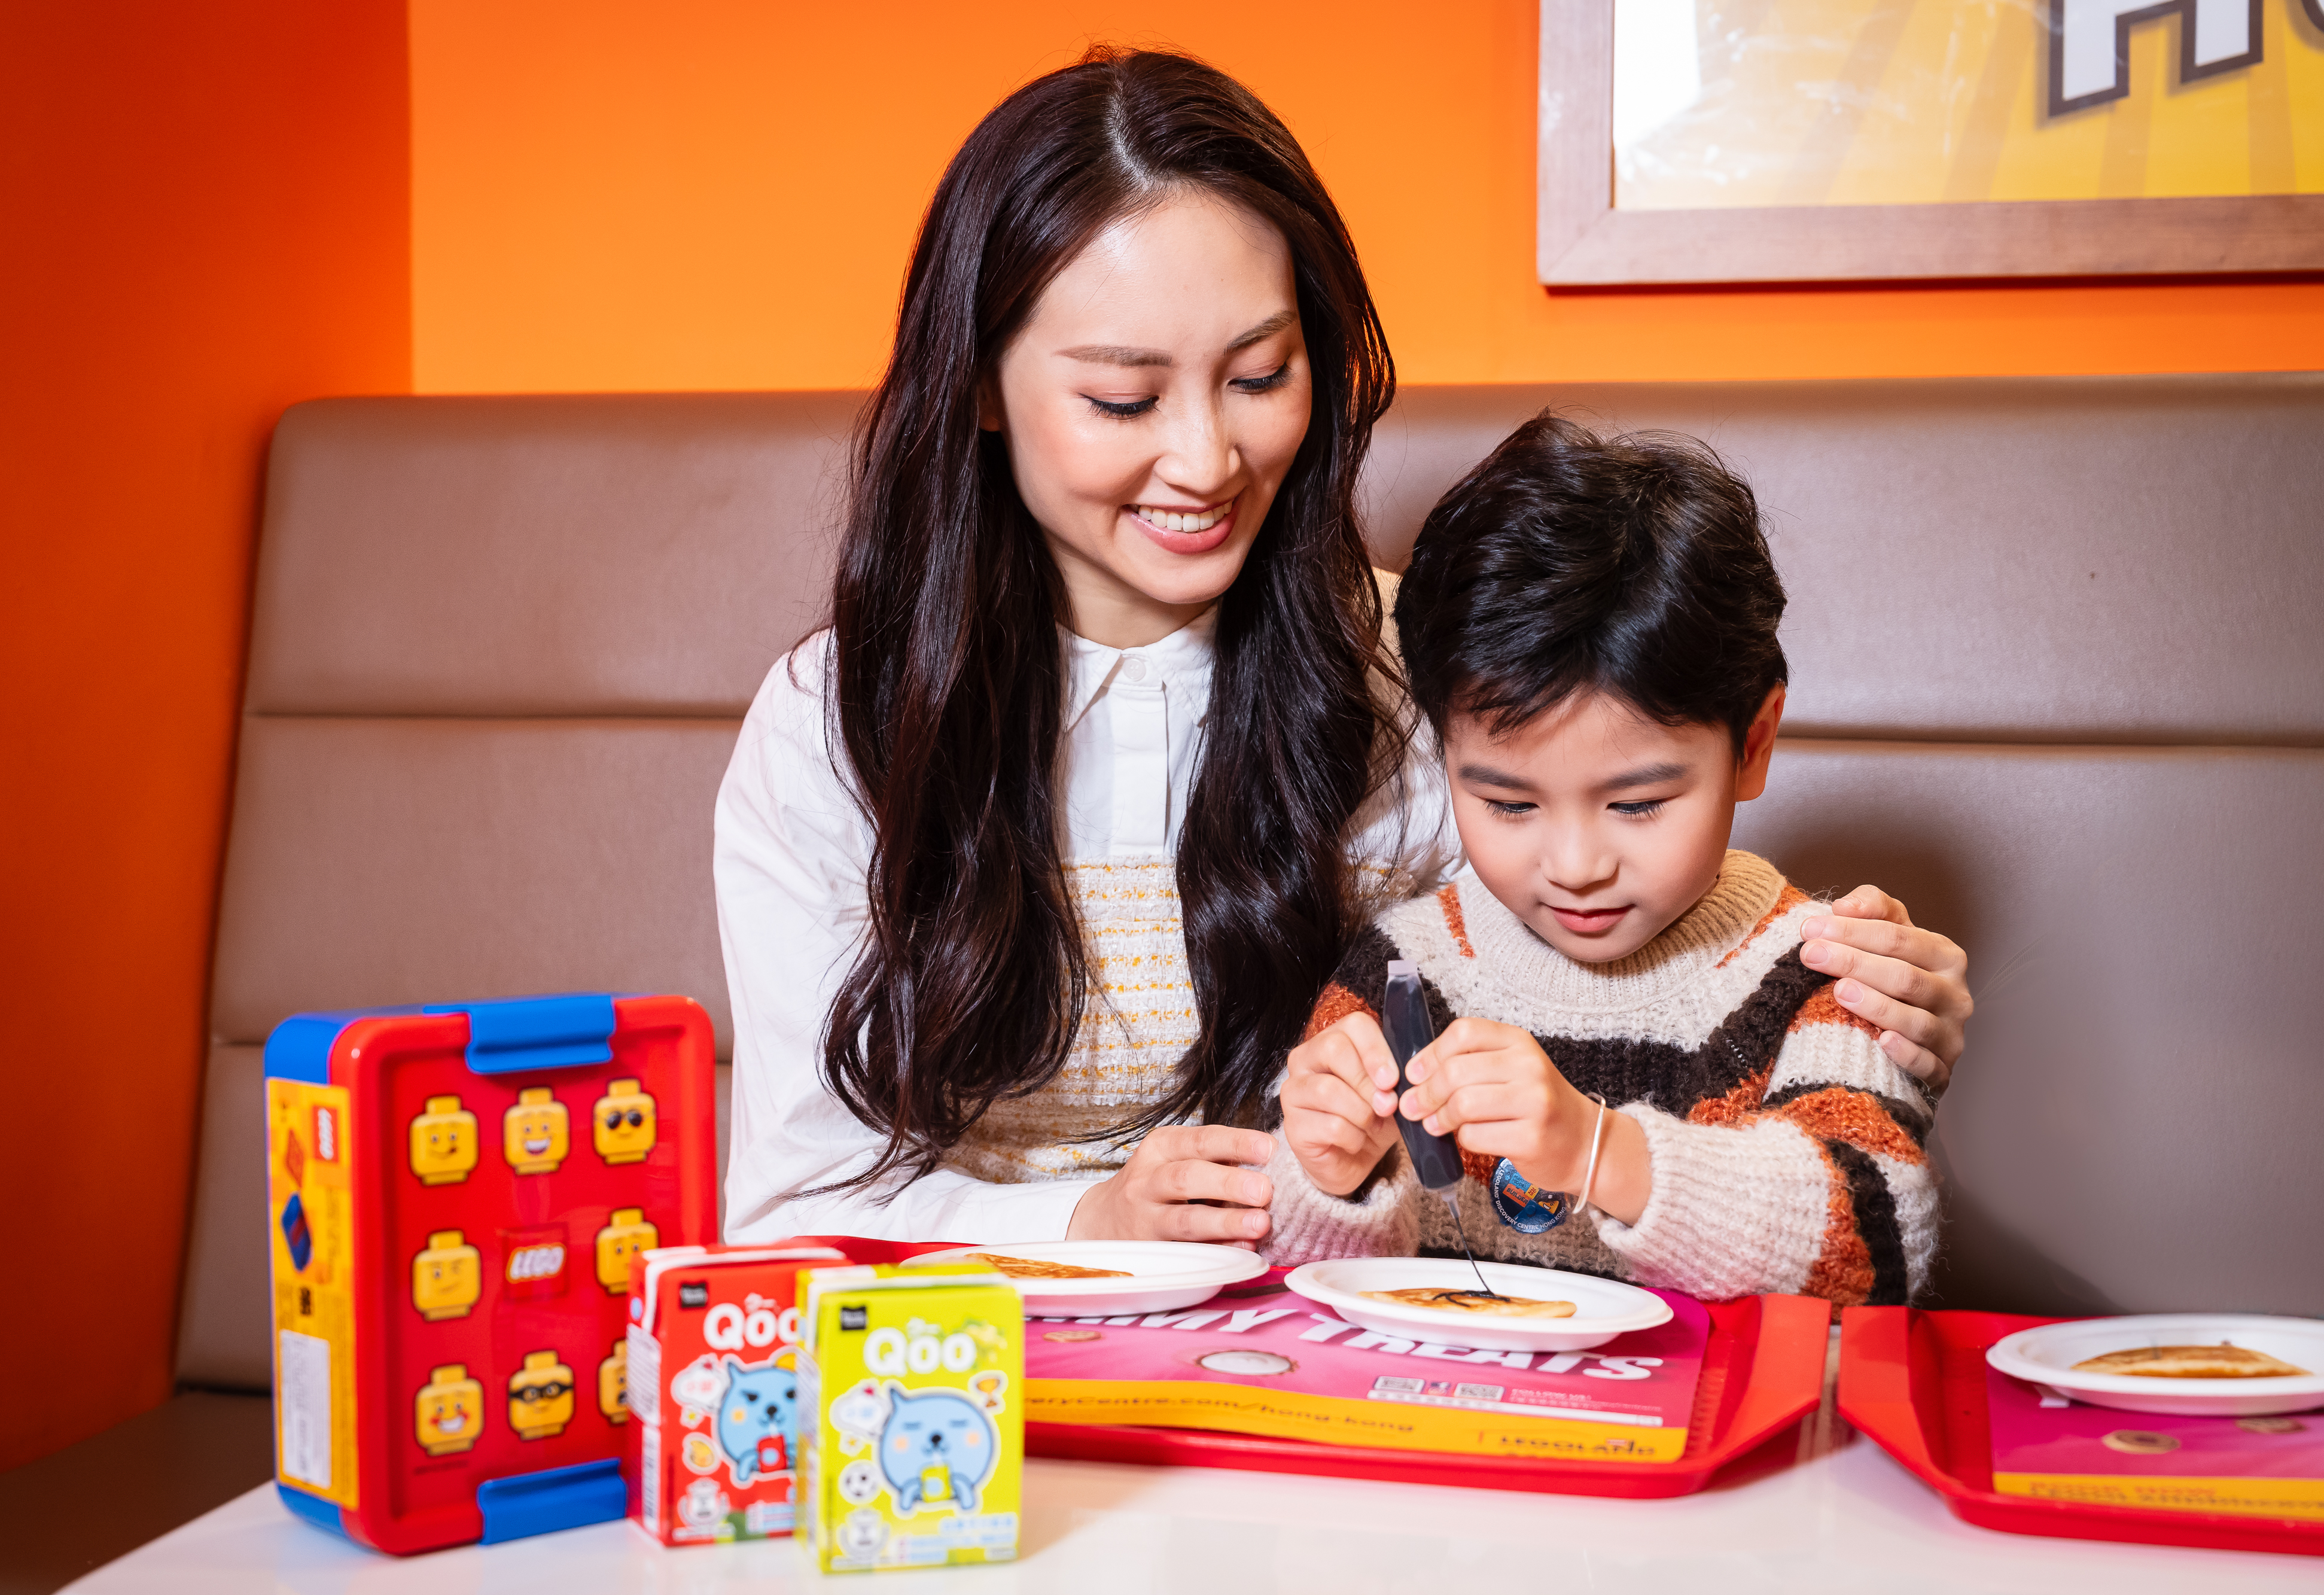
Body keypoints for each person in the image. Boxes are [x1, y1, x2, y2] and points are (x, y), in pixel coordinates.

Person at [713, 48, 1973, 1248]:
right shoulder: (839, 719)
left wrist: (1858, 1007)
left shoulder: (1417, 671)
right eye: (1122, 399)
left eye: (1258, 375)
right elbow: (788, 1204)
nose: (1207, 461)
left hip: (1328, 1354)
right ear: (978, 386)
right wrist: (1082, 1223)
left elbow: (1608, 961)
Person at [1266, 414, 1936, 1304]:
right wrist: (1324, 1175)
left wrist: (1599, 1151)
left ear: (1754, 743)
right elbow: (1296, 1275)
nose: (1576, 863)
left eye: (1638, 804)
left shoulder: (1823, 969)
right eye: (1508, 803)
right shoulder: (1407, 971)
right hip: (1446, 1421)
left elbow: (1879, 1243)